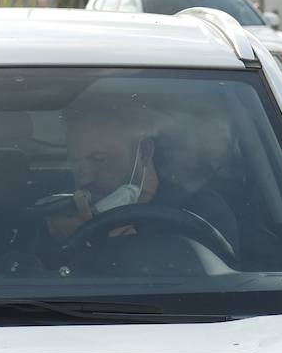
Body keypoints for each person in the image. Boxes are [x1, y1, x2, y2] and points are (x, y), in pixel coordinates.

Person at [49, 101, 239, 247]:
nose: (84, 177)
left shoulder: (201, 213)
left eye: (99, 159)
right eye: (75, 162)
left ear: (145, 152)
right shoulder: (60, 215)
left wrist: (118, 250)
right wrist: (64, 243)